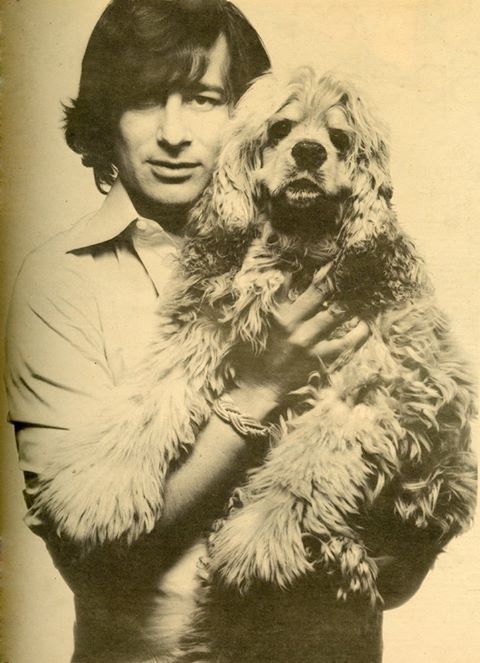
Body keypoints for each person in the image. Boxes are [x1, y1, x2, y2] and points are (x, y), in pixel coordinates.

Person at [5, 1, 438, 661]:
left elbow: (401, 555)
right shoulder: (61, 281)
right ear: (106, 116)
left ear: (245, 114)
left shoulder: (337, 253)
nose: (172, 133)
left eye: (204, 99)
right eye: (144, 100)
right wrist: (259, 387)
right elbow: (91, 559)